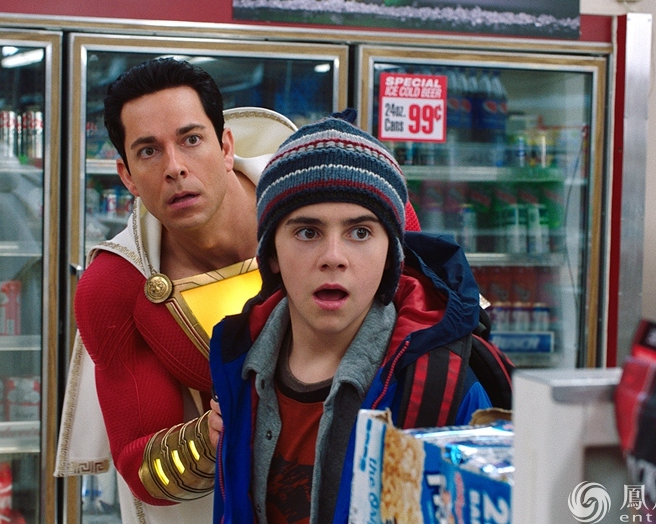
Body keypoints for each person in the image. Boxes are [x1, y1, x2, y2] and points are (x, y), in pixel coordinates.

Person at [209, 115, 514, 524]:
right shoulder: (237, 362)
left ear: (391, 256)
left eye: (360, 233)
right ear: (271, 254)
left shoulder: (443, 387)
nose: (333, 257)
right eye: (307, 232)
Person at [55, 58, 298, 523]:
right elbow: (141, 466)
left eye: (191, 140)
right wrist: (212, 437)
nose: (175, 168)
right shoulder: (115, 285)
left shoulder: (327, 190)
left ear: (225, 147)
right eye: (149, 151)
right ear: (127, 175)